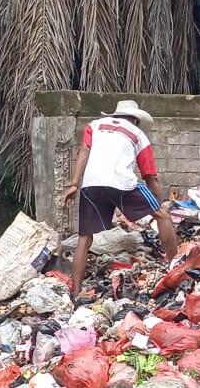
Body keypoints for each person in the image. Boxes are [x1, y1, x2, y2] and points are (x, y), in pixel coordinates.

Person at [60, 100, 178, 298]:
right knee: (163, 216)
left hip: (91, 185)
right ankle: (176, 268)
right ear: (134, 119)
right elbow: (150, 176)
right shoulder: (138, 134)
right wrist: (159, 204)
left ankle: (76, 292)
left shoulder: (94, 126)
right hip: (123, 184)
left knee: (84, 238)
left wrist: (73, 184)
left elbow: (84, 152)